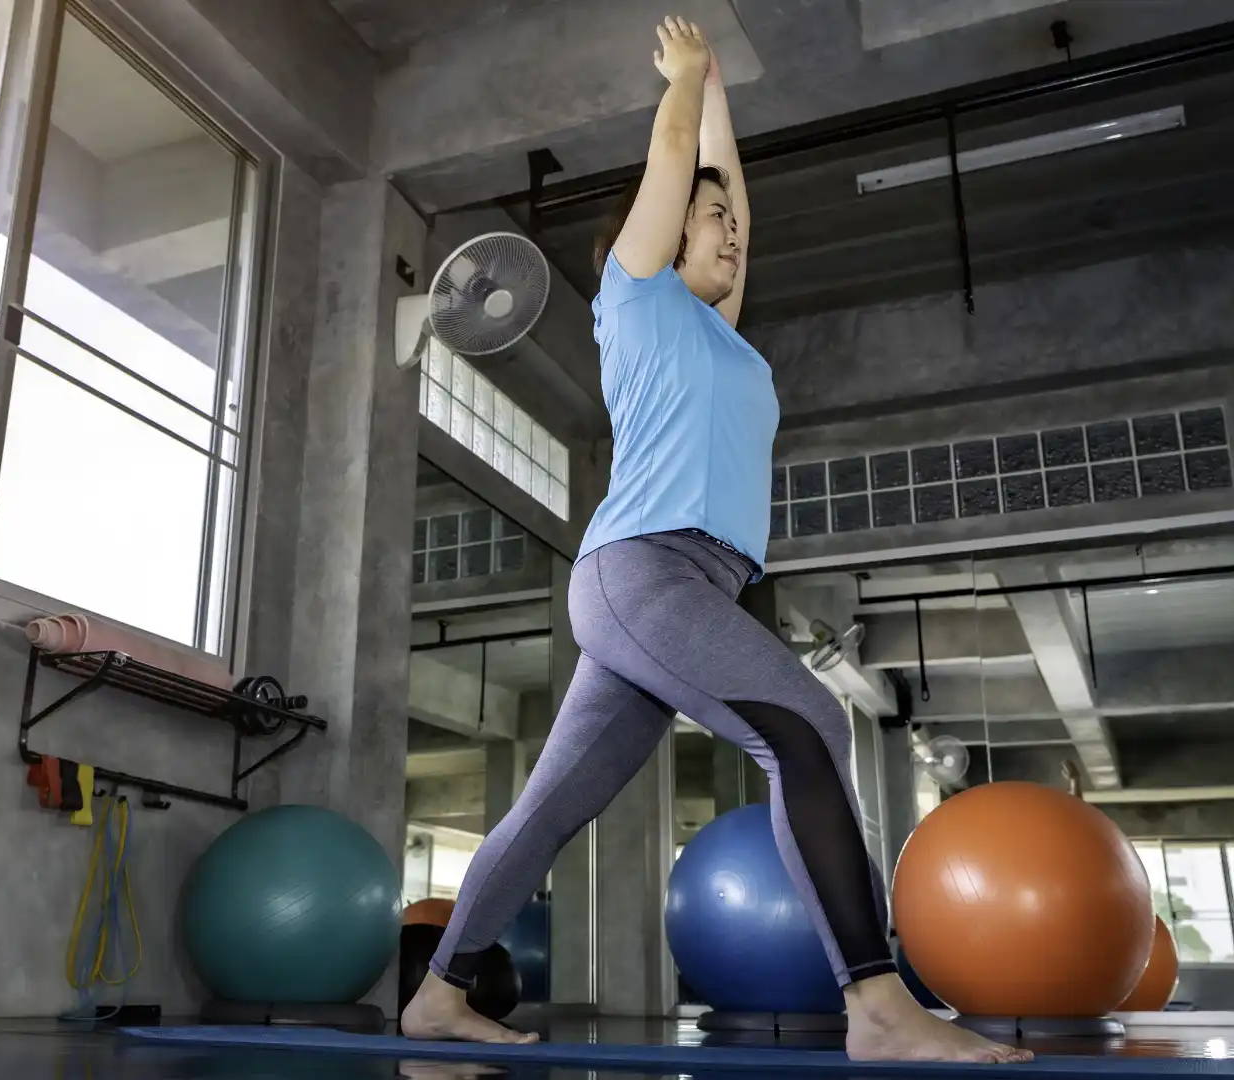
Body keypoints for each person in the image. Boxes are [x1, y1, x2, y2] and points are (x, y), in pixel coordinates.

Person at [400, 18, 1033, 1065]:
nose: (731, 233)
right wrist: (687, 80)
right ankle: (876, 1005)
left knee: (550, 809)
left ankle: (436, 995)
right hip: (642, 570)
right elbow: (672, 159)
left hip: (688, 588)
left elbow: (719, 179)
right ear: (655, 236)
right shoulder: (634, 298)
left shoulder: (721, 330)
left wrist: (724, 92)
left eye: (732, 226)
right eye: (709, 222)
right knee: (811, 729)